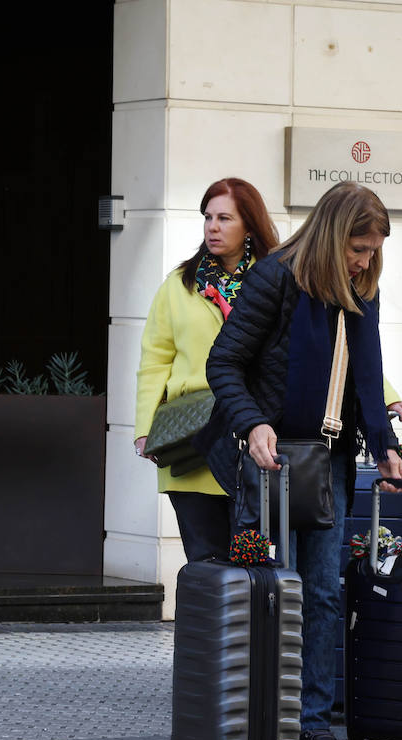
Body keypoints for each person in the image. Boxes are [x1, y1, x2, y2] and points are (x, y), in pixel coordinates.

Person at [204, 180, 402, 740]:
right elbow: (224, 363)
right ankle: (258, 720)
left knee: (322, 593)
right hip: (269, 461)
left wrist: (386, 447)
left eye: (372, 251)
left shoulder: (360, 288)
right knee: (271, 593)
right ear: (331, 235)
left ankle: (314, 726)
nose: (365, 260)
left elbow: (366, 378)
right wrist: (253, 425)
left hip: (328, 463)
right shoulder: (275, 279)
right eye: (357, 248)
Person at [134, 177, 280, 563]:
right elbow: (155, 359)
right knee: (204, 566)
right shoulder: (179, 285)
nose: (213, 227)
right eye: (208, 217)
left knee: (252, 568)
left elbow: (320, 346)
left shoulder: (278, 281)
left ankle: (250, 628)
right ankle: (203, 627)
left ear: (250, 225)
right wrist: (146, 428)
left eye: (225, 218)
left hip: (254, 442)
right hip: (193, 440)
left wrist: (386, 397)